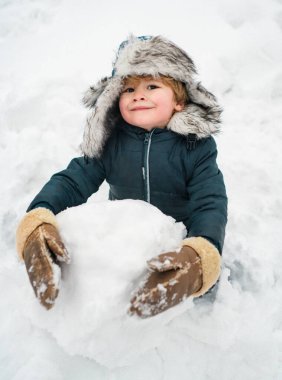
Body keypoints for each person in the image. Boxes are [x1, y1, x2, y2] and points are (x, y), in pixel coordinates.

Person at [16, 35, 228, 317]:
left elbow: (210, 202)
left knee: (193, 300)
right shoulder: (111, 143)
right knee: (125, 300)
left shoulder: (195, 146)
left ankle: (198, 305)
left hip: (179, 244)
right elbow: (73, 179)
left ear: (179, 100)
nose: (138, 95)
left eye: (152, 86)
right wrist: (40, 214)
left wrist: (201, 250)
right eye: (128, 89)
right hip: (131, 241)